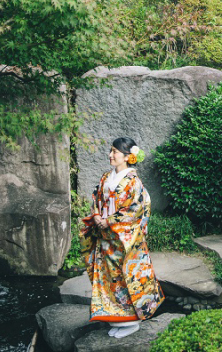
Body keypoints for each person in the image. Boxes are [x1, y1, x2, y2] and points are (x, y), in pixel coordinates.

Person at [79, 137, 164, 339]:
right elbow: (96, 198)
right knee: (109, 279)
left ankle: (132, 320)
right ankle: (116, 317)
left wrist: (110, 220)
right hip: (106, 237)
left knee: (126, 278)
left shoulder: (133, 182)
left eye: (115, 151)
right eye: (111, 151)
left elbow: (135, 209)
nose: (110, 155)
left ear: (127, 157)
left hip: (123, 239)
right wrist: (98, 216)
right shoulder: (105, 178)